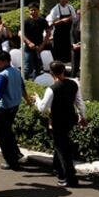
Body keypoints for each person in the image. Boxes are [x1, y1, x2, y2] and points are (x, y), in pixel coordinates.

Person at [35, 59, 86, 187]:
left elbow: (42, 108)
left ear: (51, 73)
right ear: (64, 70)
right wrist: (82, 116)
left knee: (62, 149)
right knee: (61, 144)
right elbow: (79, 102)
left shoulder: (51, 89)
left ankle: (69, 178)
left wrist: (36, 99)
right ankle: (57, 169)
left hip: (57, 122)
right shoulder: (74, 84)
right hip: (70, 119)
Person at [0, 51, 31, 170]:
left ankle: (11, 161)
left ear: (6, 61)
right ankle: (17, 154)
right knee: (8, 132)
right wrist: (28, 101)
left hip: (4, 109)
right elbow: (22, 88)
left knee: (3, 136)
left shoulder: (3, 75)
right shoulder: (16, 72)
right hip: (15, 106)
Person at [48, 0, 77, 70]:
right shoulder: (55, 9)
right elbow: (50, 23)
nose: (64, 0)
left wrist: (71, 19)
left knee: (68, 52)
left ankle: (69, 68)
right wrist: (61, 21)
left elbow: (74, 18)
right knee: (58, 53)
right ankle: (58, 68)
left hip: (68, 33)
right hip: (58, 35)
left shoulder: (70, 7)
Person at [21, 3, 49, 80]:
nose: (33, 11)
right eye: (31, 10)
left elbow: (48, 32)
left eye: (35, 10)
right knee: (27, 68)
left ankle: (36, 83)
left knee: (38, 68)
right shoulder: (26, 21)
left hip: (39, 47)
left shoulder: (42, 21)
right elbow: (20, 33)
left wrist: (43, 44)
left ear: (38, 10)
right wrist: (29, 42)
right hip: (28, 48)